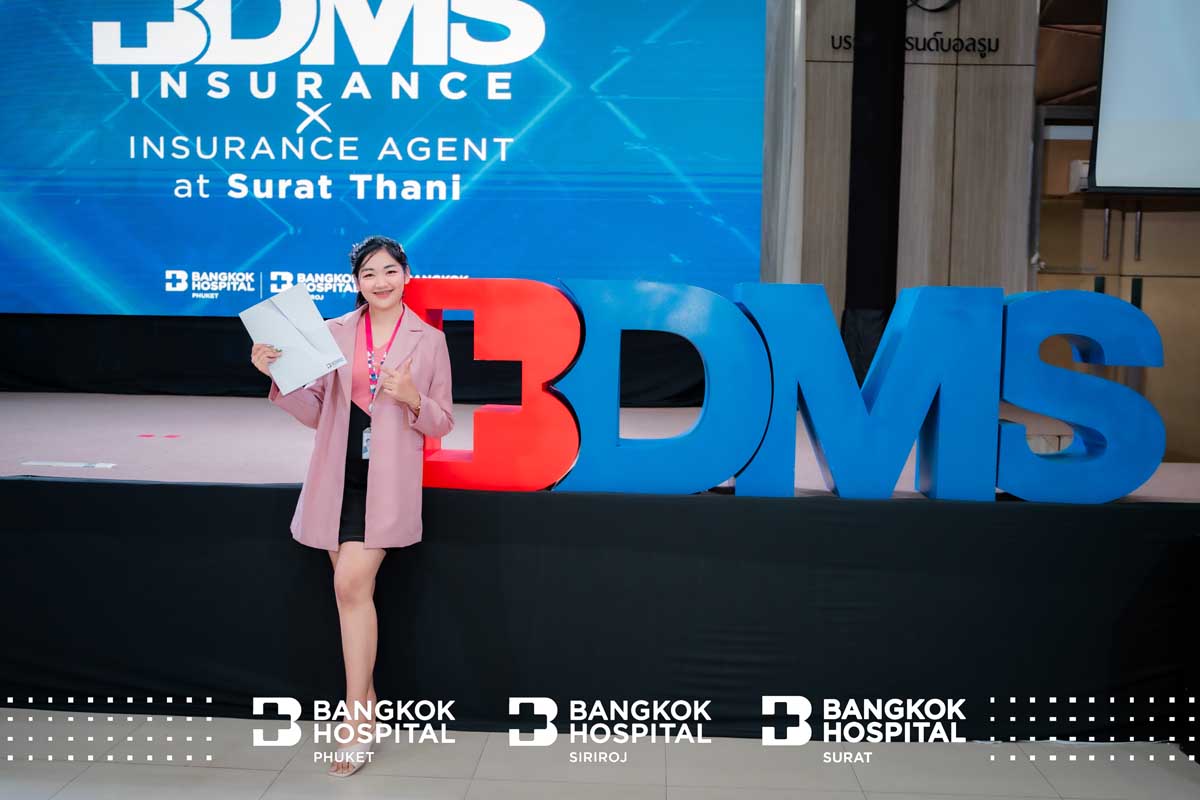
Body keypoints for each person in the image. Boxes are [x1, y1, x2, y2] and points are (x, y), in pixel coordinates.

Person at [249, 236, 454, 777]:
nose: (380, 282)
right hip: (337, 478)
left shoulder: (429, 340)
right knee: (352, 597)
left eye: (389, 271)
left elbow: (442, 421)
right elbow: (315, 411)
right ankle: (369, 707)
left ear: (406, 274)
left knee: (349, 586)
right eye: (369, 274)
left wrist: (412, 397)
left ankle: (356, 718)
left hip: (388, 484)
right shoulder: (334, 332)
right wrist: (276, 375)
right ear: (356, 283)